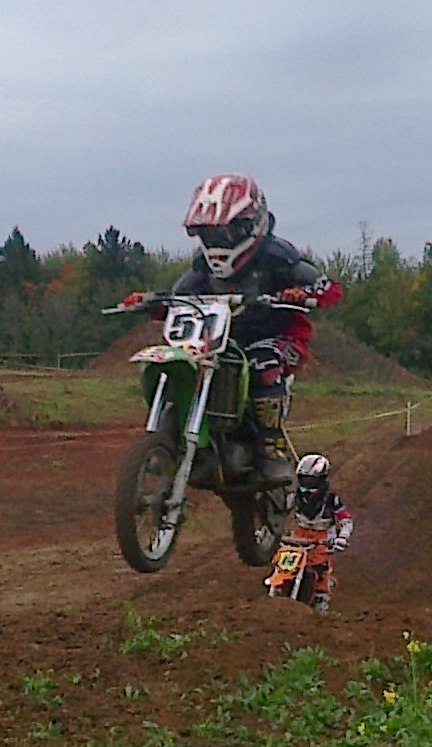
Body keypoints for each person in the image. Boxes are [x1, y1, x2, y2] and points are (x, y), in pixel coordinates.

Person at [123, 174, 341, 486]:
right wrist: (152, 304)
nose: (218, 241)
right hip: (221, 339)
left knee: (263, 363)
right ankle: (174, 439)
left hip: (278, 336)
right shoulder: (202, 265)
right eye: (209, 233)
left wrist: (301, 294)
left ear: (251, 225)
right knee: (188, 362)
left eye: (226, 232)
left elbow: (328, 288)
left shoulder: (278, 255)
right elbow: (180, 297)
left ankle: (270, 450)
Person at [288, 452, 352, 614]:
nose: (307, 483)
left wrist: (342, 537)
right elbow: (279, 511)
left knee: (320, 566)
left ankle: (321, 597)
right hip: (300, 532)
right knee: (286, 560)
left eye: (312, 479)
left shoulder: (331, 498)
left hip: (323, 535)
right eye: (304, 478)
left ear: (322, 479)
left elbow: (345, 519)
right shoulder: (295, 495)